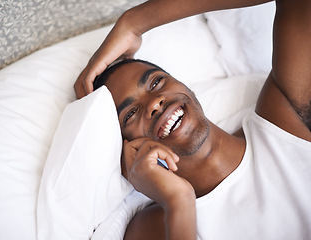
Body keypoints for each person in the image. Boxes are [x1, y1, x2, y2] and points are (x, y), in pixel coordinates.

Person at [75, 0, 311, 239]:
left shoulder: (285, 117)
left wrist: (134, 22)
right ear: (128, 149)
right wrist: (179, 199)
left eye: (156, 82)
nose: (154, 103)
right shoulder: (154, 224)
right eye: (131, 114)